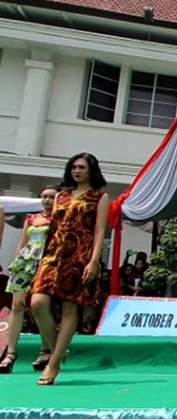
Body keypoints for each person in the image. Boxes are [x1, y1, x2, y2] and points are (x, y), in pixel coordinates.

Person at [30, 154, 110, 386]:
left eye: (82, 167)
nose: (77, 171)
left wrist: (94, 261)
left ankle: (52, 365)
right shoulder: (61, 196)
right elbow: (53, 226)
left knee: (69, 308)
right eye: (74, 167)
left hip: (79, 257)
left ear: (91, 170)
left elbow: (99, 231)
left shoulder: (99, 197)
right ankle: (57, 348)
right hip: (53, 255)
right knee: (37, 303)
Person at [0, 187, 57, 374]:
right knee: (17, 306)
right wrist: (17, 261)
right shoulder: (31, 218)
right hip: (25, 263)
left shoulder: (59, 219)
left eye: (51, 197)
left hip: (46, 263)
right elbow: (22, 243)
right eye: (44, 196)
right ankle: (10, 353)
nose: (47, 200)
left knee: (39, 307)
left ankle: (46, 350)